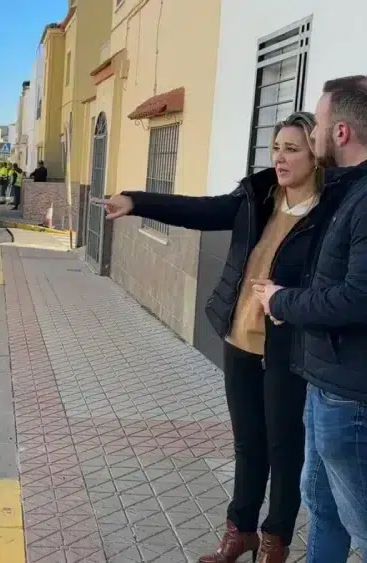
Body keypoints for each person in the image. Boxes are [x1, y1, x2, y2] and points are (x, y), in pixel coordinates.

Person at [102, 112, 340, 563]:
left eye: (292, 149)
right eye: (276, 148)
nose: (280, 157)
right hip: (240, 340)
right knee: (248, 442)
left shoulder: (329, 214)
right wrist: (134, 201)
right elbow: (202, 209)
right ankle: (240, 531)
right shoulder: (258, 196)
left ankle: (275, 540)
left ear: (316, 156)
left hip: (290, 348)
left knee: (284, 447)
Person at [256, 76, 367, 563]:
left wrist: (282, 302)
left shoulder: (363, 199)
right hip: (323, 382)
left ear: (340, 132)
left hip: (350, 397)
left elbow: (356, 299)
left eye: (318, 124)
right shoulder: (344, 191)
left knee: (361, 521)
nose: (314, 131)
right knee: (323, 509)